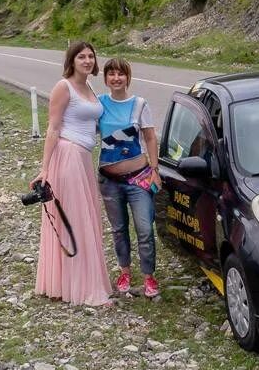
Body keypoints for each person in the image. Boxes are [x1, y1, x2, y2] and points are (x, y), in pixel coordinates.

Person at [32, 41, 112, 306]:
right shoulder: (63, 86)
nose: (87, 61)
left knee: (85, 217)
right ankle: (83, 287)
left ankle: (75, 280)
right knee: (76, 220)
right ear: (72, 60)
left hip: (83, 158)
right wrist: (45, 168)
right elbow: (53, 128)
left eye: (91, 56)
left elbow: (93, 123)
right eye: (82, 57)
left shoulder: (88, 86)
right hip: (68, 156)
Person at [96, 58, 162, 298]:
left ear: (128, 77)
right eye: (111, 74)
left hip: (138, 179)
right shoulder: (99, 104)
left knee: (144, 228)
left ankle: (149, 277)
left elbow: (151, 138)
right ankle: (125, 271)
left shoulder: (139, 105)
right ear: (105, 78)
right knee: (119, 229)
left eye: (120, 74)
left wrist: (155, 168)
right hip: (109, 181)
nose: (116, 78)